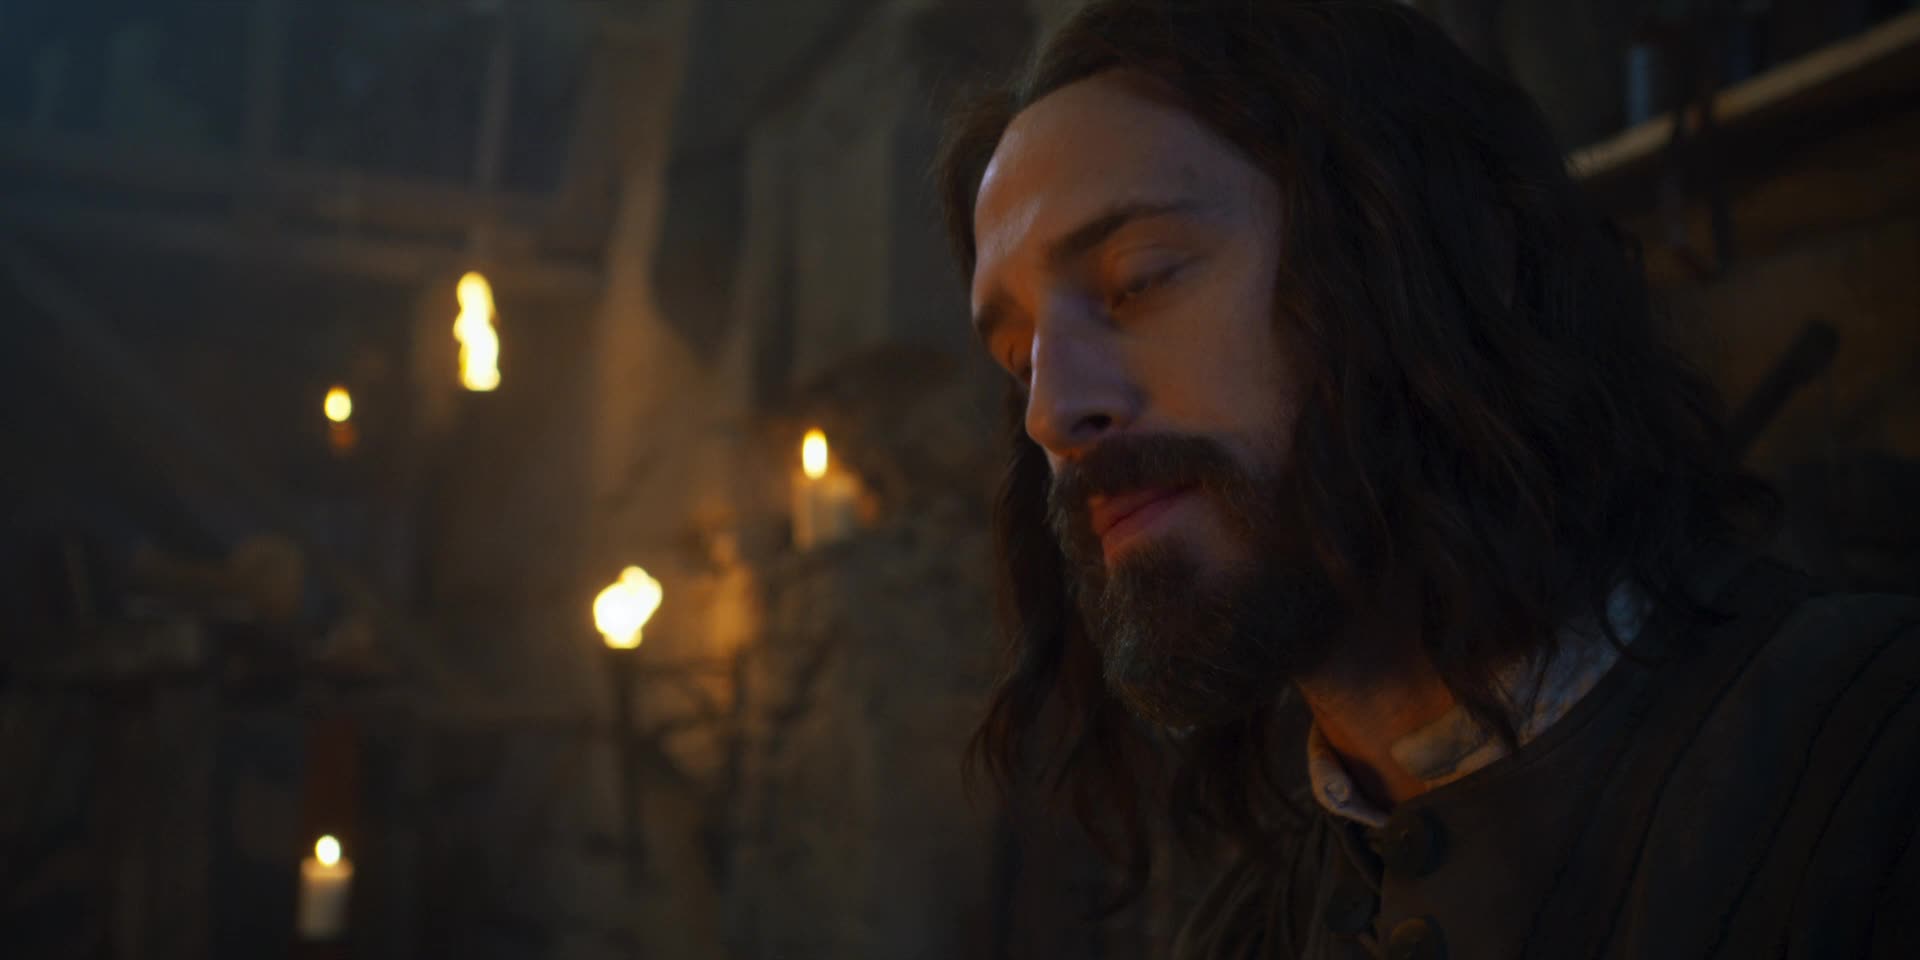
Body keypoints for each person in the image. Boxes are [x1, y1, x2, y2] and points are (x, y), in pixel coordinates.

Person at [933, 1, 1920, 957]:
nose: (1050, 413)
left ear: (1411, 245)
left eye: (1140, 276)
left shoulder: (1871, 773)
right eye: (1020, 358)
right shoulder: (1250, 934)